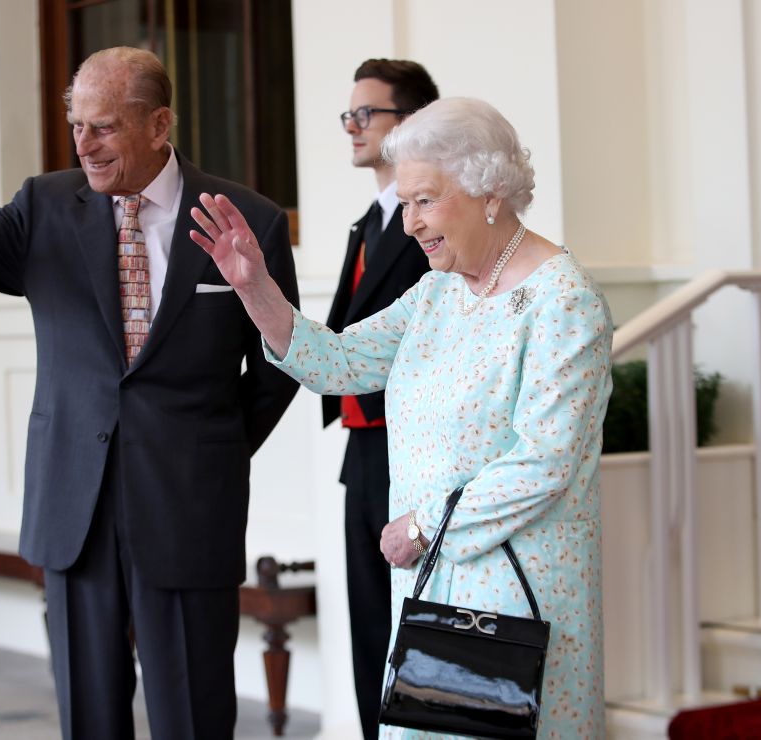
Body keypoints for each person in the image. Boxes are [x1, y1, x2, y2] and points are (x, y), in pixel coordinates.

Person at [0, 47, 300, 740]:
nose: (83, 142)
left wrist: (216, 450)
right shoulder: (44, 207)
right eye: (76, 123)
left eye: (104, 126)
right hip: (73, 508)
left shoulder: (247, 219)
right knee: (90, 716)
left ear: (159, 124)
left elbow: (280, 360)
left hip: (188, 503)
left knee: (194, 718)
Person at [190, 97, 612, 738]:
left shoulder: (562, 301)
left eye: (425, 200)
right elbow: (337, 362)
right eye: (405, 202)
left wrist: (421, 526)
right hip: (431, 583)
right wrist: (256, 287)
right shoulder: (439, 290)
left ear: (488, 191)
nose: (410, 222)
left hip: (515, 593)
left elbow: (544, 460)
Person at [330, 58, 437, 740]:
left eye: (367, 114)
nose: (352, 126)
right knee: (368, 625)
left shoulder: (433, 223)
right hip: (362, 452)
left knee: (416, 627)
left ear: (413, 123)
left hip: (415, 448)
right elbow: (340, 340)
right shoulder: (366, 221)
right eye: (349, 115)